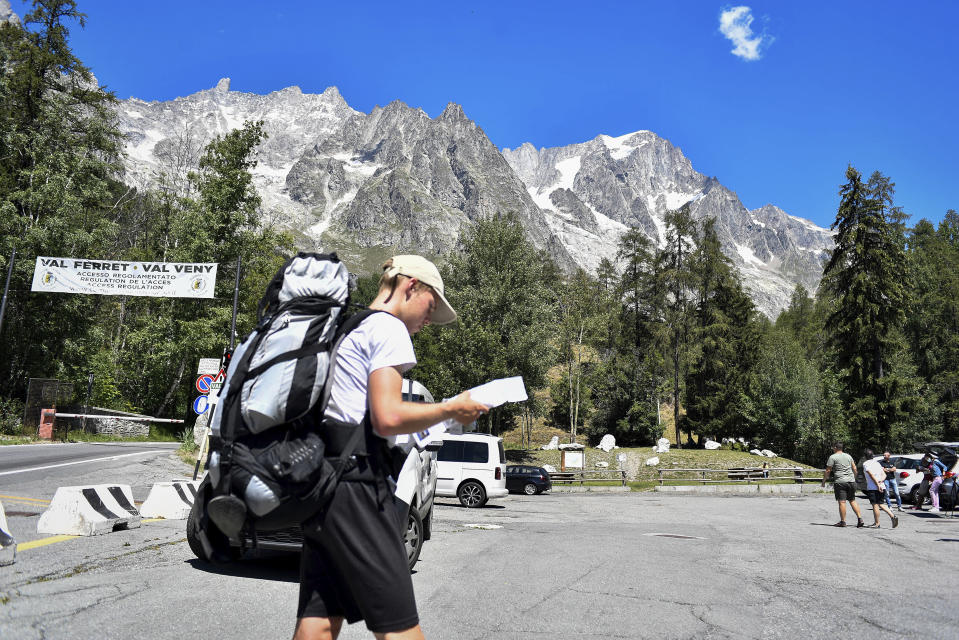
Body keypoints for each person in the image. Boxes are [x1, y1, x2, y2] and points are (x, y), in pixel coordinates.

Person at [293, 255, 489, 640]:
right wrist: (451, 409)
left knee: (318, 623)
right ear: (410, 286)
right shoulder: (388, 328)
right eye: (431, 306)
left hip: (321, 484)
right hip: (358, 488)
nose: (429, 320)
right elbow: (387, 417)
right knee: (402, 629)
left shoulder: (347, 328)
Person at [821, 442, 864, 528]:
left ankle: (843, 521)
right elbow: (854, 468)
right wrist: (854, 478)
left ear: (836, 447)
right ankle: (860, 519)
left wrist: (824, 481)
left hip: (840, 482)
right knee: (852, 500)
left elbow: (828, 470)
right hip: (851, 481)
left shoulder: (832, 457)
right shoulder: (848, 456)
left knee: (842, 501)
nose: (833, 449)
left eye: (833, 447)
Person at [861, 449, 899, 528]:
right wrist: (880, 482)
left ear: (865, 456)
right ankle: (893, 516)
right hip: (882, 486)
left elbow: (871, 475)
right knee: (881, 504)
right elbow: (884, 475)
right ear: (873, 456)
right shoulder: (877, 463)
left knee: (875, 504)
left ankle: (877, 523)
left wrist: (877, 484)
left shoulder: (866, 463)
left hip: (873, 487)